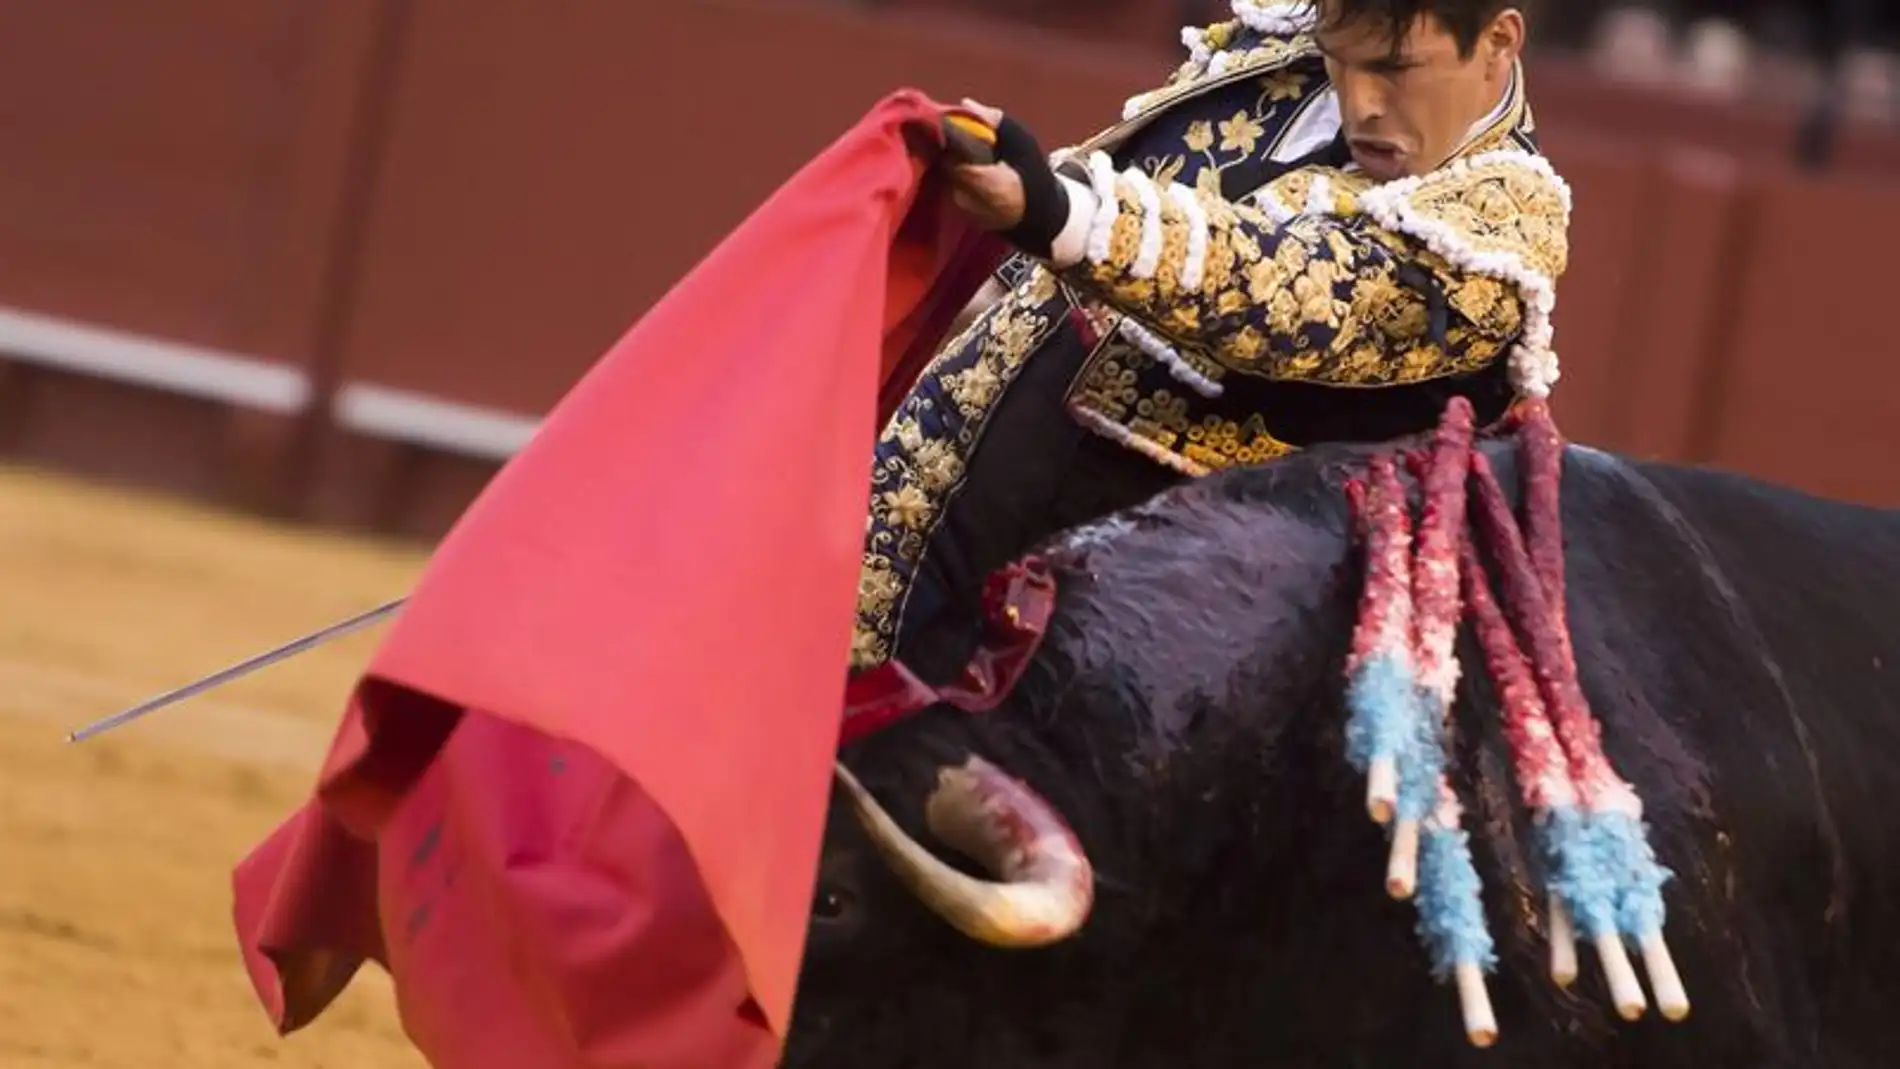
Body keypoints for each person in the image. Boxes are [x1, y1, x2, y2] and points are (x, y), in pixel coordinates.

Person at [852, 0, 1570, 683]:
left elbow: (1282, 293)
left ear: (1499, 43)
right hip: (927, 510)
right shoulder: (1293, 44)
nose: (1361, 105)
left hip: (1105, 662)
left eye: (1396, 69)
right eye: (1339, 61)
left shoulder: (1499, 230)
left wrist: (1057, 211)